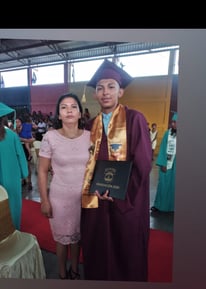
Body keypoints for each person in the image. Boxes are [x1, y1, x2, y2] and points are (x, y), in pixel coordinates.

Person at [81, 59, 152, 281]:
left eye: (111, 86)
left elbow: (143, 163)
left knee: (126, 250)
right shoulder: (89, 125)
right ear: (95, 94)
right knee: (98, 248)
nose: (105, 92)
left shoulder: (134, 119)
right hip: (96, 202)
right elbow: (84, 162)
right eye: (100, 88)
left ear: (121, 91)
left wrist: (121, 194)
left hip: (125, 203)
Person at [38, 93, 90, 280]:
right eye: (64, 107)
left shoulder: (90, 137)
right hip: (59, 198)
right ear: (58, 115)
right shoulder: (50, 137)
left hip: (84, 198)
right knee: (61, 240)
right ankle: (61, 273)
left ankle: (75, 270)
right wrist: (44, 200)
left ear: (79, 113)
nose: (69, 110)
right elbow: (43, 171)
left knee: (77, 238)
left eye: (73, 106)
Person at [0, 102, 28, 230]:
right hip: (12, 176)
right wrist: (24, 173)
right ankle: (14, 229)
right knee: (13, 203)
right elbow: (20, 156)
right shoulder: (12, 135)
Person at [151, 113, 177, 212]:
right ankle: (159, 205)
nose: (172, 124)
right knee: (163, 184)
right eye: (172, 122)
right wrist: (162, 163)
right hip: (167, 164)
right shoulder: (167, 133)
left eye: (175, 122)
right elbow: (162, 149)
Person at [15, 117, 35, 190]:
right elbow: (17, 138)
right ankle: (23, 180)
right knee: (19, 166)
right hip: (18, 148)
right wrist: (25, 140)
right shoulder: (14, 130)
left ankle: (29, 182)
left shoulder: (26, 130)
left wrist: (27, 140)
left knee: (27, 165)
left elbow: (32, 139)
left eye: (18, 121)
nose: (17, 123)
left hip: (25, 148)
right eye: (16, 122)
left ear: (21, 122)